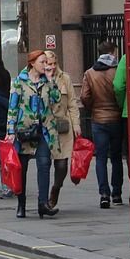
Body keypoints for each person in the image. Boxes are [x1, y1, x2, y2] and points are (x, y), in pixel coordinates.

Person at [6, 50, 61, 219]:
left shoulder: (47, 81)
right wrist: (10, 131)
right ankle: (21, 204)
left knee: (44, 165)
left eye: (47, 62)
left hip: (44, 129)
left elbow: (56, 99)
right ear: (32, 63)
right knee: (21, 169)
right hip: (24, 130)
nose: (46, 65)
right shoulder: (19, 82)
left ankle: (42, 204)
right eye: (42, 62)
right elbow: (12, 108)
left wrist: (51, 80)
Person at [81, 42, 124, 208]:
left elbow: (84, 96)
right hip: (116, 118)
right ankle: (117, 193)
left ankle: (104, 194)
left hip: (98, 120)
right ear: (112, 53)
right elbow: (122, 89)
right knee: (116, 157)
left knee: (100, 157)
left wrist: (93, 107)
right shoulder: (117, 71)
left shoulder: (90, 73)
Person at [44, 49, 81, 210]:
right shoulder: (38, 78)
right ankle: (43, 199)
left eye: (53, 63)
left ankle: (55, 189)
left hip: (63, 127)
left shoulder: (64, 78)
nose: (51, 67)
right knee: (44, 163)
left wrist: (77, 125)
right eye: (47, 64)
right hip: (45, 127)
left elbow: (72, 103)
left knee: (61, 165)